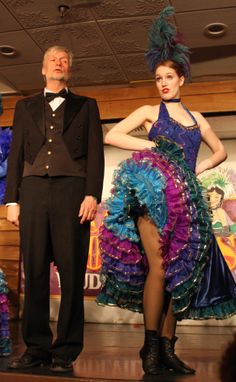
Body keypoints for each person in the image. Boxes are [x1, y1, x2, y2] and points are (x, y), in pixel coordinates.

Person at [96, 7, 236, 376]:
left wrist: (201, 167)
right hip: (154, 199)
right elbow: (112, 134)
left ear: (181, 80)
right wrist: (150, 149)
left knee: (180, 274)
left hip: (188, 203)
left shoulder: (197, 119)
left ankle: (169, 350)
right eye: (158, 78)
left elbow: (218, 149)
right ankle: (150, 347)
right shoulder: (148, 111)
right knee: (158, 268)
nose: (163, 83)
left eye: (169, 77)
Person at [4, 45, 104, 372]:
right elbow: (16, 154)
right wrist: (12, 199)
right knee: (33, 271)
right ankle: (36, 348)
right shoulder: (24, 106)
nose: (58, 63)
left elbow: (95, 154)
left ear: (69, 70)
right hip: (32, 191)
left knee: (71, 272)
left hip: (73, 192)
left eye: (64, 60)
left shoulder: (87, 106)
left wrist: (92, 195)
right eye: (52, 60)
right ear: (43, 69)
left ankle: (65, 352)